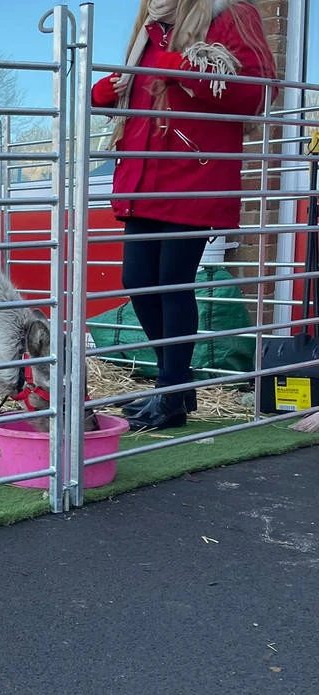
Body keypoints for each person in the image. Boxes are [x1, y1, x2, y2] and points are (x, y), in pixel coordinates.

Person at [91, 0, 274, 430]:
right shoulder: (149, 30)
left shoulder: (228, 16)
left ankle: (172, 391)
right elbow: (134, 96)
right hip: (143, 176)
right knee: (137, 281)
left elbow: (252, 94)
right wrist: (107, 91)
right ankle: (175, 386)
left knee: (172, 283)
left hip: (193, 175)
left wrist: (180, 68)